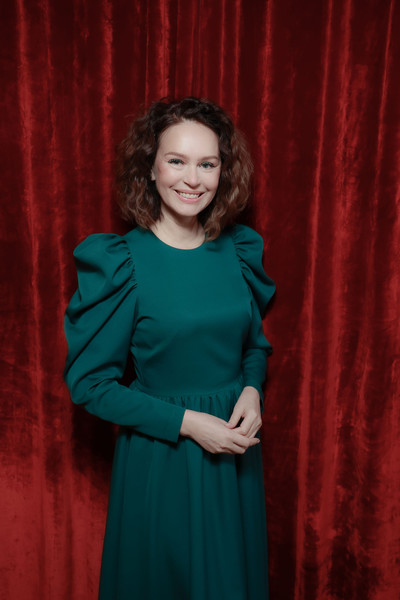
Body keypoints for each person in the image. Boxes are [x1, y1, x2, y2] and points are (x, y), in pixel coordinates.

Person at [64, 96, 275, 600]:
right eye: (176, 161)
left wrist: (251, 388)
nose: (192, 179)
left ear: (224, 171)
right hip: (164, 459)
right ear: (150, 167)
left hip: (234, 455)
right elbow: (90, 384)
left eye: (208, 164)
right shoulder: (122, 263)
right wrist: (189, 424)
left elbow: (253, 344)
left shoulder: (238, 250)